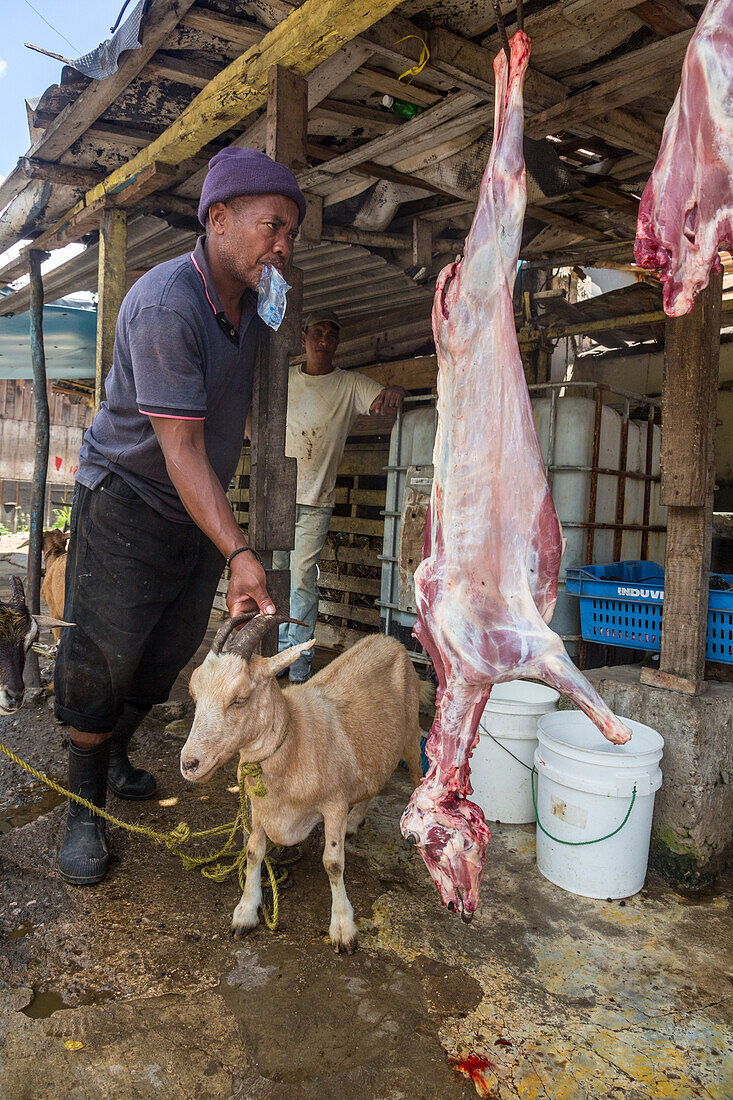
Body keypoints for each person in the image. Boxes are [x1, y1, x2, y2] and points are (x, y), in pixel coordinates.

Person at [54, 147, 306, 885]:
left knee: (166, 656)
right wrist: (237, 551)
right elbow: (181, 447)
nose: (282, 243)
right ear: (217, 219)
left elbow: (235, 412)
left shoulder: (254, 305)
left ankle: (118, 754)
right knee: (104, 659)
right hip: (130, 498)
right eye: (271, 225)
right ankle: (82, 809)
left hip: (195, 511)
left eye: (290, 230)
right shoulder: (167, 303)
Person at [273, 310, 405, 683]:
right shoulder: (285, 381)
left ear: (337, 343)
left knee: (301, 579)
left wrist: (394, 391)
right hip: (278, 496)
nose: (324, 341)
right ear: (303, 339)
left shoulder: (349, 384)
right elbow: (255, 411)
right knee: (277, 576)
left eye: (331, 335)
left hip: (316, 499)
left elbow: (383, 396)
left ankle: (298, 664)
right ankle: (277, 654)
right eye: (317, 333)